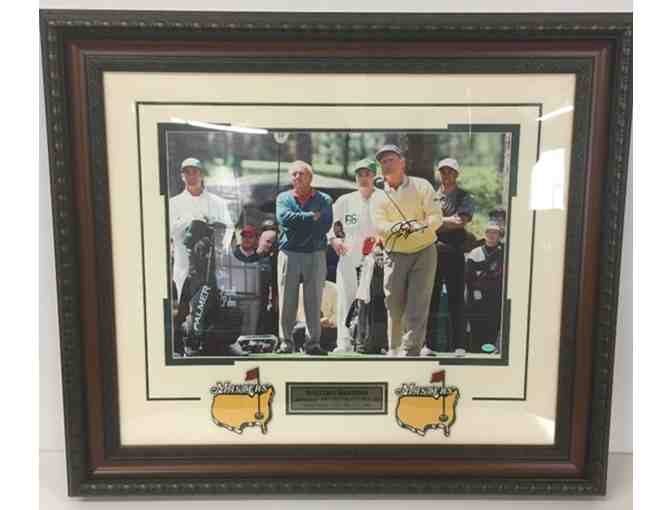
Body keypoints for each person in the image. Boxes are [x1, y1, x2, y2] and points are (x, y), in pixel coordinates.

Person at [370, 145, 442, 357]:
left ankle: (411, 349)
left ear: (402, 162)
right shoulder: (377, 196)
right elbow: (379, 225)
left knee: (417, 304)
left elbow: (436, 216)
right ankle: (394, 348)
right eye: (383, 162)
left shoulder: (422, 185)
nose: (386, 164)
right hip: (394, 253)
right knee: (393, 304)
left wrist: (418, 227)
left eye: (390, 160)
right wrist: (400, 228)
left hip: (424, 251)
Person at [275, 161, 334, 355]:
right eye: (294, 174)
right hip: (289, 252)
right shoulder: (283, 198)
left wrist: (298, 220)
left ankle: (313, 343)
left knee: (314, 299)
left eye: (301, 174)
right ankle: (286, 342)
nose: (297, 177)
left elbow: (324, 225)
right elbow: (284, 219)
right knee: (287, 299)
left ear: (310, 177)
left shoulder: (324, 199)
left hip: (315, 252)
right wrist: (310, 217)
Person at [328, 158, 380, 353]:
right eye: (360, 175)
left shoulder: (383, 198)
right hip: (348, 255)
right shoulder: (346, 200)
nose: (363, 178)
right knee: (345, 298)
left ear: (375, 176)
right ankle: (344, 342)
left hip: (375, 257)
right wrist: (334, 240)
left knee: (371, 300)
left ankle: (370, 340)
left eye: (367, 174)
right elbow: (330, 224)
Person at [426, 158, 475, 355]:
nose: (446, 175)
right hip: (432, 252)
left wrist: (436, 221)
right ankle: (427, 345)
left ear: (457, 174)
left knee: (456, 299)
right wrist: (444, 221)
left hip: (455, 252)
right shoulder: (431, 196)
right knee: (431, 298)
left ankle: (459, 346)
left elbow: (460, 221)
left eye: (450, 171)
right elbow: (424, 221)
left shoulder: (464, 196)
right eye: (443, 171)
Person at [169, 157, 233, 303]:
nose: (191, 176)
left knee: (208, 307)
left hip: (211, 266)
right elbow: (169, 231)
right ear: (182, 176)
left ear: (201, 175)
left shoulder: (217, 202)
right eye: (187, 172)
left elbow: (229, 230)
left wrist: (221, 250)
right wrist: (190, 220)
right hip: (184, 265)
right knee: (184, 307)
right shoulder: (173, 203)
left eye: (195, 172)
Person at [465, 222, 505, 353]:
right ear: (485, 234)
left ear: (499, 235)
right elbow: (469, 277)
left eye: (495, 232)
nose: (491, 235)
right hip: (477, 296)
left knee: (493, 325)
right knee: (477, 324)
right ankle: (476, 352)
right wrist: (475, 291)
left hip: (496, 296)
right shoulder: (475, 252)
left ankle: (489, 351)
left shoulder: (504, 252)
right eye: (488, 232)